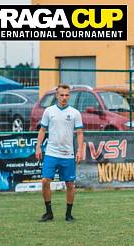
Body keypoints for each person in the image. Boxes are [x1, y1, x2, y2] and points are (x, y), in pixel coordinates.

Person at [34, 84, 83, 222]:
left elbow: (79, 133)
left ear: (69, 96)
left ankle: (68, 214)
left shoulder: (75, 113)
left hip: (68, 154)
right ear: (57, 95)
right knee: (45, 181)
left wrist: (80, 150)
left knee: (70, 184)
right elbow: (42, 130)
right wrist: (38, 147)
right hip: (51, 153)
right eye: (61, 95)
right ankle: (49, 213)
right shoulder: (49, 111)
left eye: (67, 95)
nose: (64, 98)